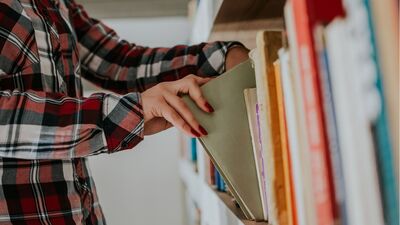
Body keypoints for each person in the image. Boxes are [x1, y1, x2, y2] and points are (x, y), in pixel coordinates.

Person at [0, 0, 249, 224]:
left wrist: (220, 59)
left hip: (82, 213)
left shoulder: (58, 3)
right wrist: (130, 113)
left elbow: (121, 62)